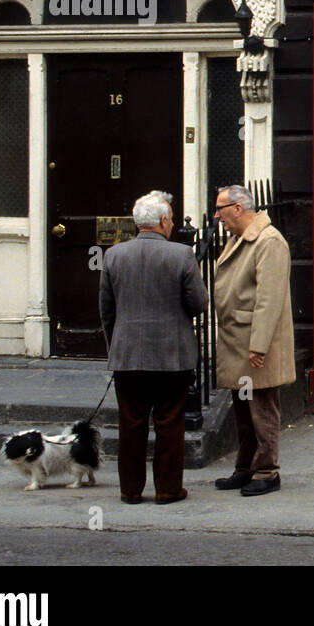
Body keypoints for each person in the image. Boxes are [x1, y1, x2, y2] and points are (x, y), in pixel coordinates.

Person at [100, 190, 208, 505]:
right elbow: (199, 303)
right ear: (163, 221)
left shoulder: (114, 255)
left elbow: (107, 310)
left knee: (130, 423)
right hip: (172, 355)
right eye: (171, 219)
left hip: (128, 355)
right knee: (169, 423)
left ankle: (130, 490)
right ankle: (167, 488)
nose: (173, 224)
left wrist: (117, 344)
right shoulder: (182, 255)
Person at [211, 184, 295, 497]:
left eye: (220, 209)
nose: (217, 215)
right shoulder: (241, 238)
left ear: (238, 208)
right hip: (238, 342)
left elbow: (269, 299)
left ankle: (267, 471)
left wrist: (258, 345)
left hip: (253, 346)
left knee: (261, 410)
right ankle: (245, 468)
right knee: (243, 411)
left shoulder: (269, 241)